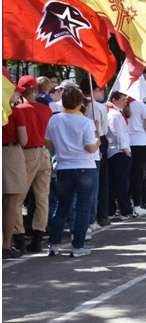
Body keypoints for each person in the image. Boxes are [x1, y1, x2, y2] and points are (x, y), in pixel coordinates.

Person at [45, 87, 100, 257]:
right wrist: (98, 141)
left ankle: (54, 245)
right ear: (79, 102)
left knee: (62, 207)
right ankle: (77, 246)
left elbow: (48, 144)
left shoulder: (54, 120)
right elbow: (91, 148)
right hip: (84, 167)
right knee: (83, 208)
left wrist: (63, 147)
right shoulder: (86, 122)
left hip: (63, 167)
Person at [12, 75, 53, 254]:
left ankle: (19, 237)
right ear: (35, 90)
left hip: (26, 153)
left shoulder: (18, 110)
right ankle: (38, 237)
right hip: (43, 152)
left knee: (17, 198)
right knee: (42, 197)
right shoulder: (46, 110)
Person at [3, 82, 28, 259]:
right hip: (10, 153)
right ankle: (5, 244)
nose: (17, 95)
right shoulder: (16, 112)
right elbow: (24, 139)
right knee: (11, 202)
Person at [80, 78, 108, 231]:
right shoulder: (98, 107)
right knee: (95, 185)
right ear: (94, 90)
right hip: (94, 145)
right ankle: (93, 219)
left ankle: (90, 219)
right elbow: (104, 129)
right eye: (101, 89)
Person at [106, 91, 134, 220]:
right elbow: (119, 134)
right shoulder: (115, 114)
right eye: (123, 100)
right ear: (114, 100)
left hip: (116, 151)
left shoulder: (115, 113)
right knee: (122, 183)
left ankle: (111, 210)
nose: (125, 102)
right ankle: (125, 211)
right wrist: (126, 150)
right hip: (119, 151)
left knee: (114, 182)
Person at [126, 96, 146, 216]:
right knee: (138, 174)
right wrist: (142, 132)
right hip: (139, 142)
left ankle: (128, 202)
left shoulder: (121, 104)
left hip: (126, 142)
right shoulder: (140, 105)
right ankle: (136, 204)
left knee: (128, 174)